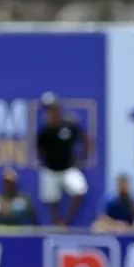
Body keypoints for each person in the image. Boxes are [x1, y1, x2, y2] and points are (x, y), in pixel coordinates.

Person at [36, 92, 90, 228]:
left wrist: (82, 156)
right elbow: (38, 149)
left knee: (79, 190)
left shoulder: (69, 124)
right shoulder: (45, 130)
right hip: (50, 168)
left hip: (68, 168)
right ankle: (57, 225)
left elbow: (85, 138)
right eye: (48, 109)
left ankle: (66, 221)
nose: (50, 112)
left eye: (52, 108)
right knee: (52, 199)